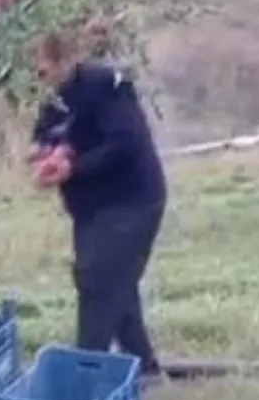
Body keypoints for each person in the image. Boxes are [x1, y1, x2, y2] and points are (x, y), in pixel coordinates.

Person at [28, 31, 168, 382]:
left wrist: (72, 165)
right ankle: (145, 369)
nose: (40, 79)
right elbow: (46, 135)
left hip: (132, 198)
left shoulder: (106, 87)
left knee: (98, 281)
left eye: (44, 71)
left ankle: (86, 374)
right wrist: (46, 153)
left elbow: (124, 142)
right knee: (112, 281)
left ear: (64, 62)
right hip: (90, 208)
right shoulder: (55, 101)